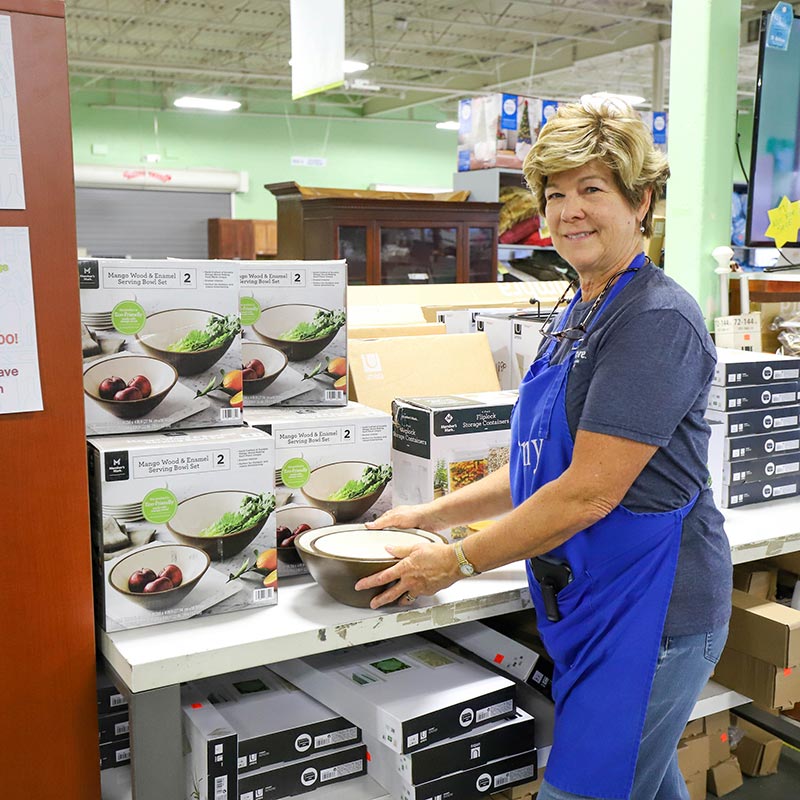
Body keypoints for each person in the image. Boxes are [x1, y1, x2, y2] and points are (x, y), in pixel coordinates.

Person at [356, 97, 733, 800]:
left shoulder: (655, 320)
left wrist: (456, 561)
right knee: (641, 786)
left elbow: (589, 490)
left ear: (640, 201)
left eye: (592, 189)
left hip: (652, 615)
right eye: (555, 194)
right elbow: (537, 468)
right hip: (595, 602)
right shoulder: (579, 307)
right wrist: (426, 517)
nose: (570, 212)